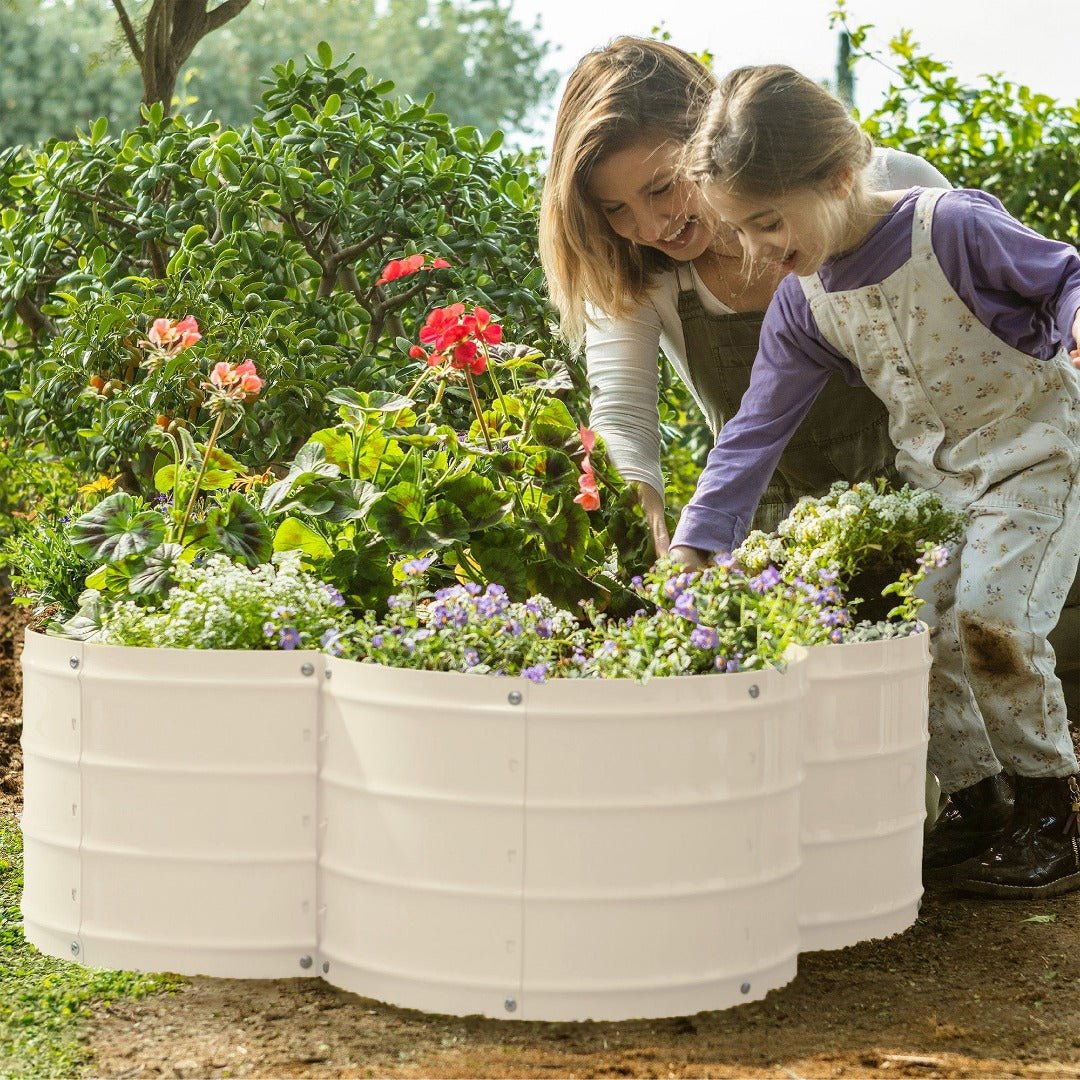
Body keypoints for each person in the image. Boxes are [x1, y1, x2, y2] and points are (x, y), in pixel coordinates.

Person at [669, 63, 1080, 898]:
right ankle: (980, 802)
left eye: (767, 221)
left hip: (1037, 460)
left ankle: (1053, 813)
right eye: (738, 230)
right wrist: (698, 540)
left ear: (838, 175)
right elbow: (755, 426)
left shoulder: (953, 228)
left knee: (990, 618)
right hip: (939, 484)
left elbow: (1065, 272)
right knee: (906, 628)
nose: (755, 251)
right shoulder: (803, 300)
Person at [538, 36, 951, 556]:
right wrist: (651, 540)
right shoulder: (636, 273)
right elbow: (623, 419)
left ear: (712, 140)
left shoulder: (883, 189)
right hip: (779, 532)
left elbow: (1017, 309)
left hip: (944, 482)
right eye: (615, 209)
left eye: (662, 187)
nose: (649, 226)